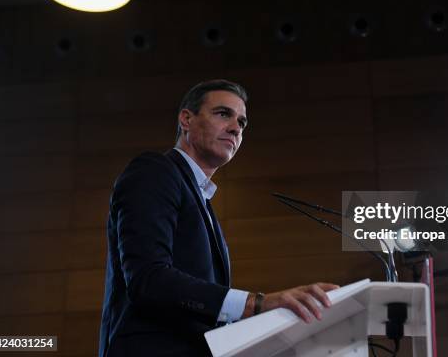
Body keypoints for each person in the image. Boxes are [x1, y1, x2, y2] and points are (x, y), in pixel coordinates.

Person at [99, 79, 339, 356]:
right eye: (223, 114)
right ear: (186, 119)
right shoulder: (154, 171)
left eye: (242, 123)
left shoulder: (202, 201)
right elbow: (148, 279)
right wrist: (258, 304)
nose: (236, 128)